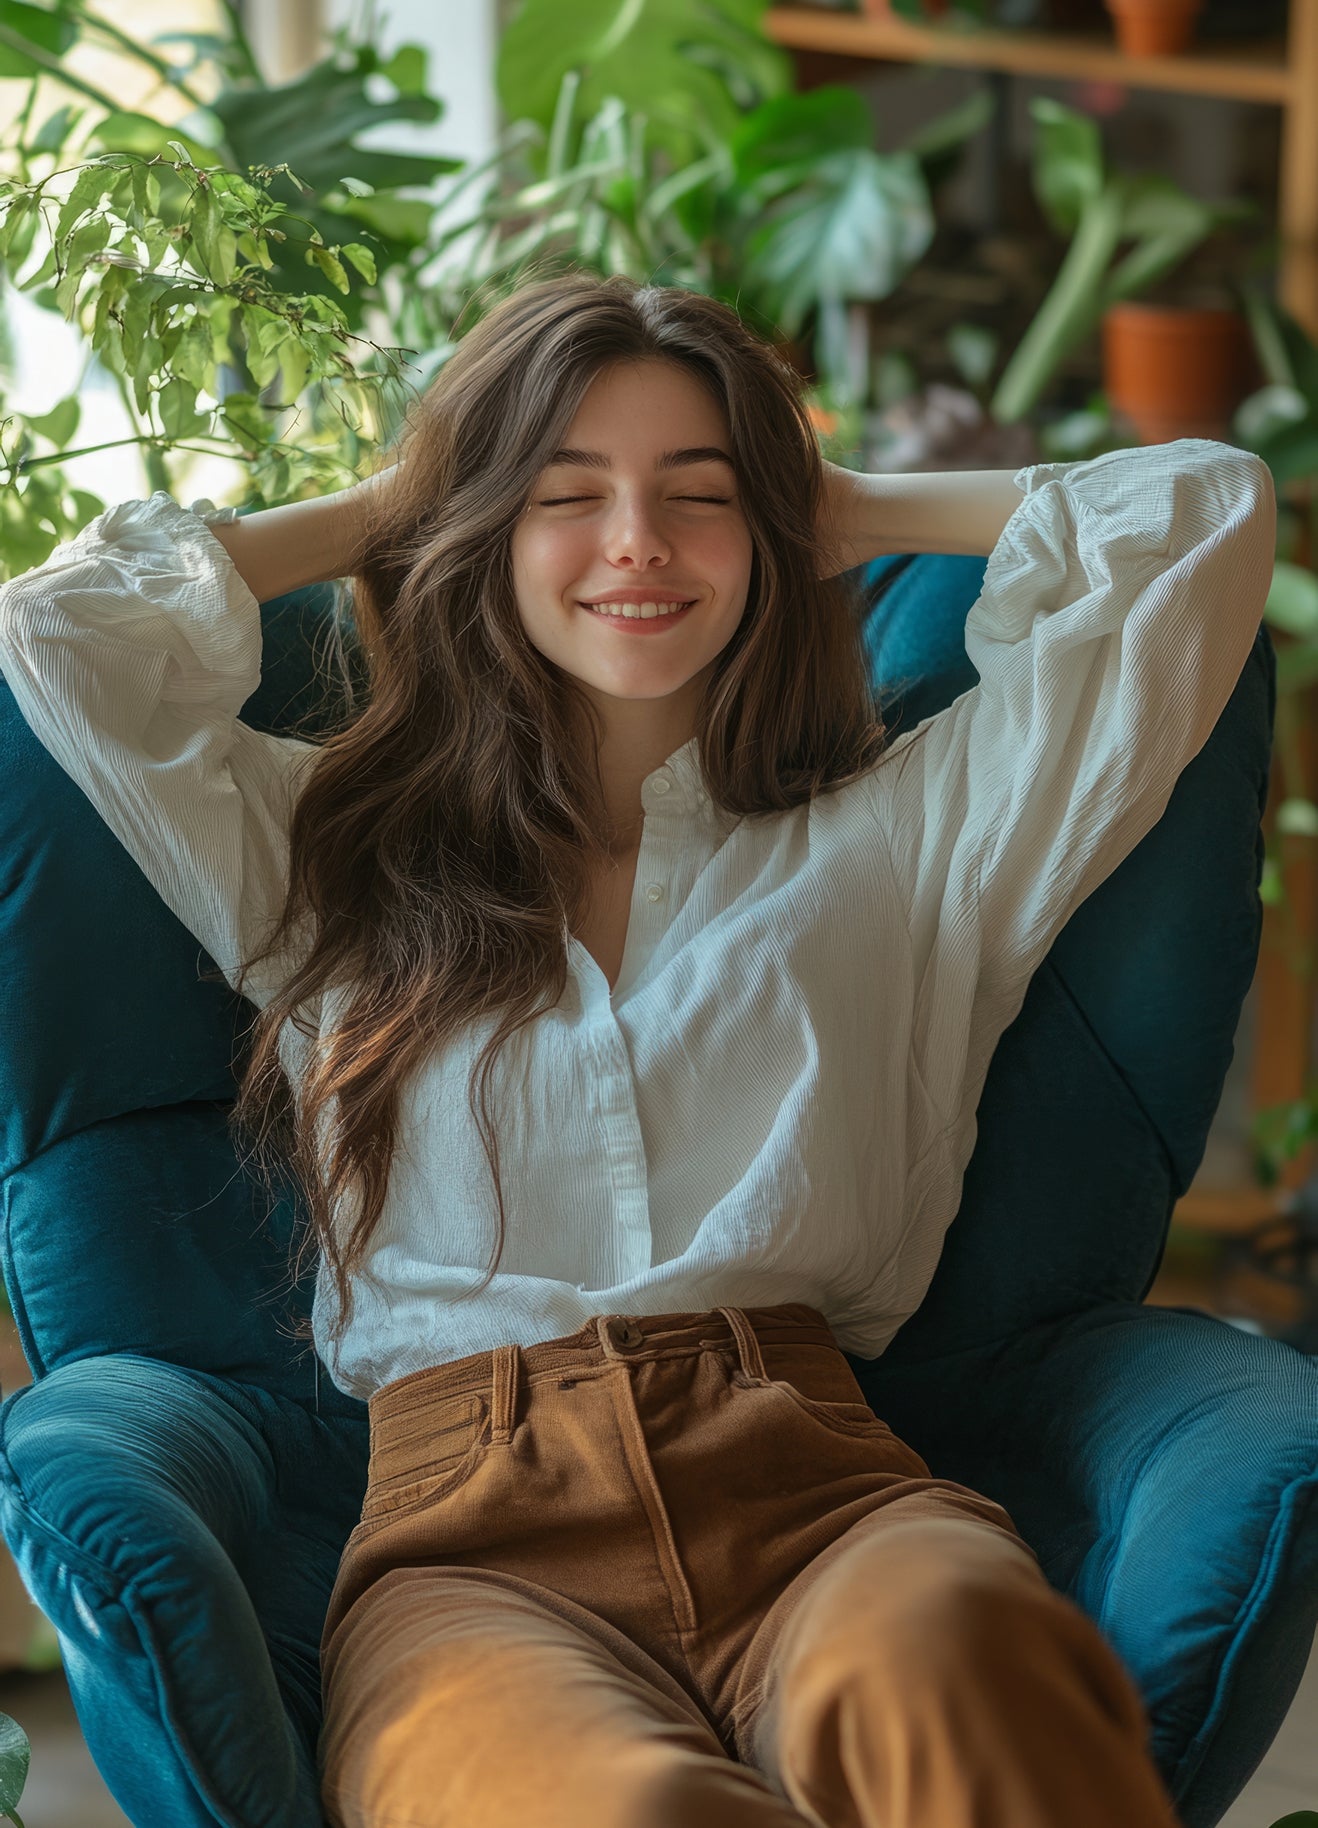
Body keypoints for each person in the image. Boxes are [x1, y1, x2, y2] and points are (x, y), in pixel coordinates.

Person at [0, 271, 1276, 1828]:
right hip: (468, 1551)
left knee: (977, 1691)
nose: (637, 546)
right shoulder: (326, 851)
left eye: (700, 497)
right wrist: (406, 494)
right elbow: (62, 636)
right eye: (563, 497)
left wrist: (848, 499)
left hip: (823, 1496)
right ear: (481, 530)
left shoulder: (913, 833)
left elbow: (1200, 517)